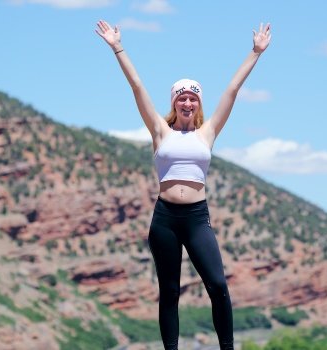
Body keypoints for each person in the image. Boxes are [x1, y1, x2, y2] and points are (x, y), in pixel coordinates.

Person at [95, 19, 271, 350]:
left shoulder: (209, 132)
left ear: (199, 104)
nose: (187, 103)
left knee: (218, 285)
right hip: (165, 220)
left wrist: (255, 53)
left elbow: (232, 90)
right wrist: (117, 47)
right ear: (174, 102)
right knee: (170, 293)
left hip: (196, 218)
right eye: (181, 98)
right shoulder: (161, 131)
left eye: (193, 98)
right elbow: (137, 87)